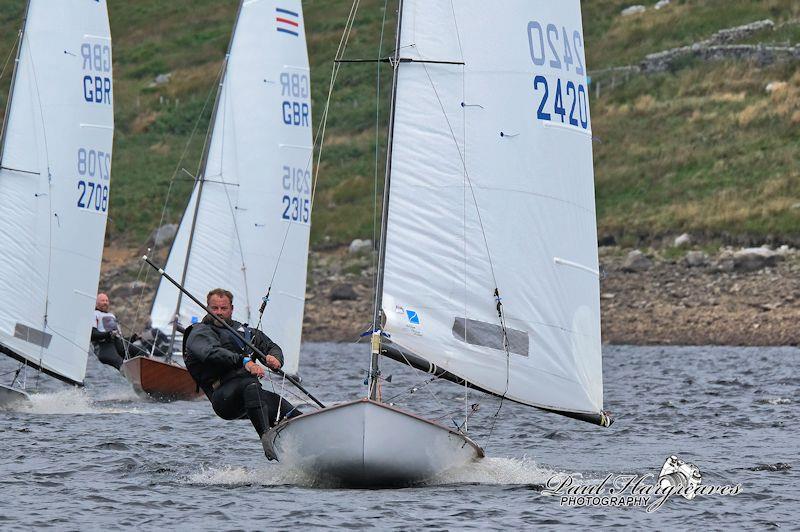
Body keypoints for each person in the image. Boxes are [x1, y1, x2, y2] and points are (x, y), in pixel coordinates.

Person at [184, 288, 301, 457]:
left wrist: (275, 358)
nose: (219, 313)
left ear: (231, 309)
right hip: (224, 397)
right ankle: (266, 438)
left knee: (281, 406)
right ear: (207, 308)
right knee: (250, 384)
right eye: (214, 308)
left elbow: (270, 346)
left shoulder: (244, 332)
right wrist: (244, 361)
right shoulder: (199, 332)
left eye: (223, 309)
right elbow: (211, 352)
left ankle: (311, 449)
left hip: (253, 395)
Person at [91, 293, 148, 369]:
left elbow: (121, 339)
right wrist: (109, 334)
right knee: (119, 363)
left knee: (143, 353)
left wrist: (134, 338)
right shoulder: (94, 314)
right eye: (102, 300)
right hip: (104, 345)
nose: (105, 302)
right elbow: (93, 334)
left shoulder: (112, 316)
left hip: (118, 344)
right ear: (96, 303)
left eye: (106, 301)